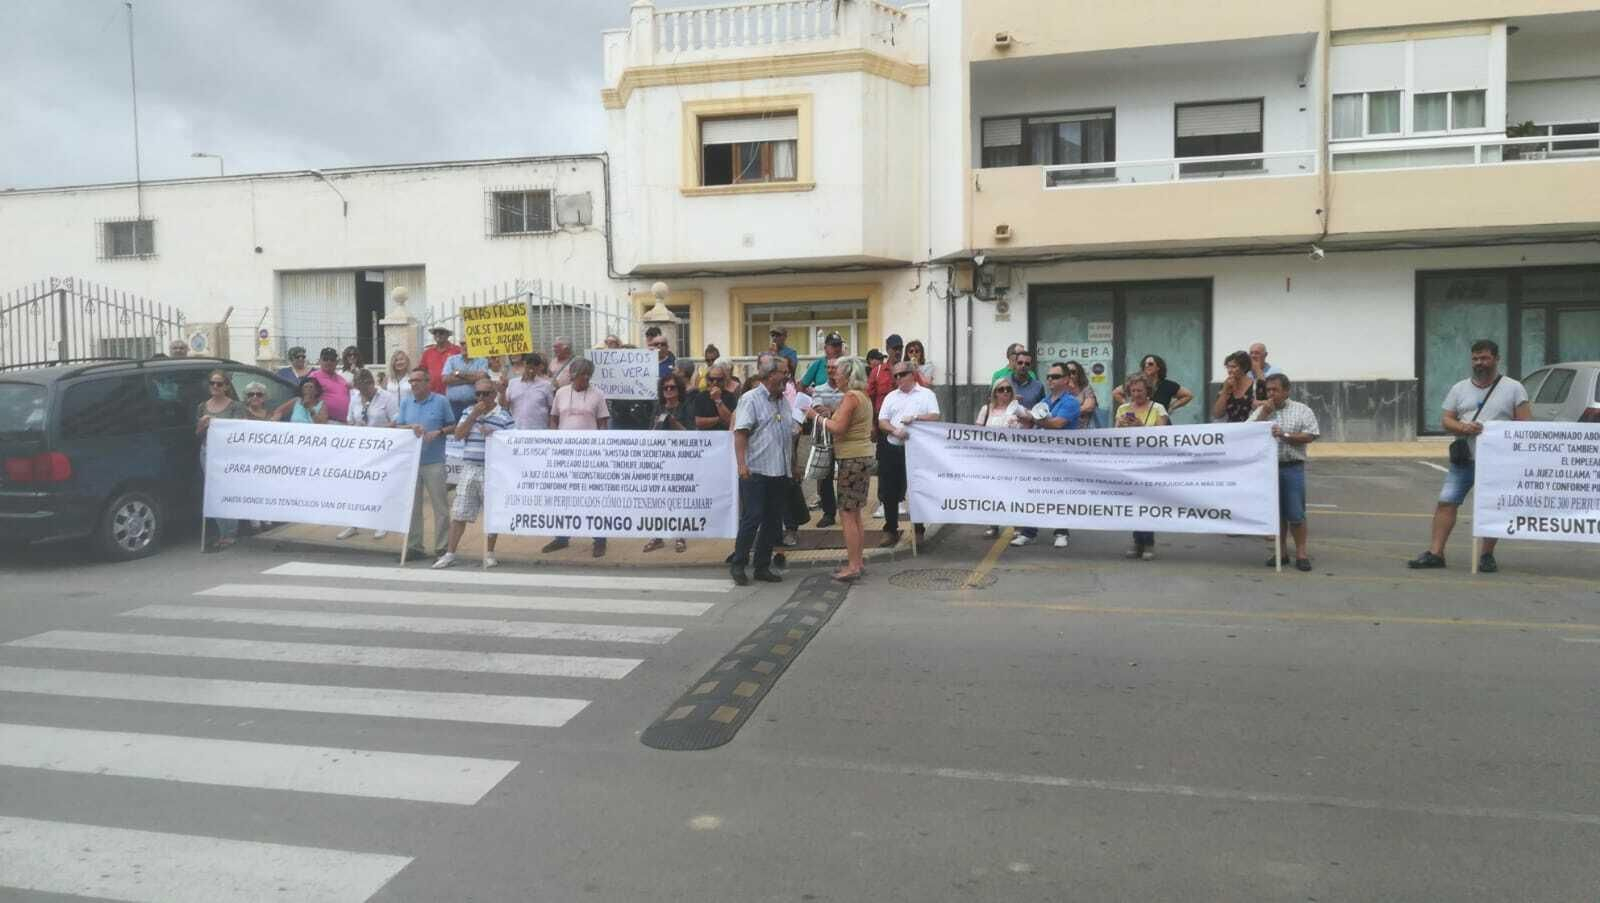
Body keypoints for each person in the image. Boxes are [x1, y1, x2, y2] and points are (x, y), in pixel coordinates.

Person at [1407, 339, 1532, 574]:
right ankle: (1436, 553)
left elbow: (1525, 424)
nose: (1479, 363)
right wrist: (1463, 428)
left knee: (1492, 506)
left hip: (1498, 460)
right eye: (1475, 358)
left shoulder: (1514, 388)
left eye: (1484, 358)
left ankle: (1486, 555)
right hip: (1464, 459)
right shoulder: (1459, 388)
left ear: (1496, 359)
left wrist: (1498, 434)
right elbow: (1446, 420)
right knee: (1446, 502)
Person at [433, 379, 515, 570]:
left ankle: (489, 553)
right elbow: (459, 434)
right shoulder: (468, 412)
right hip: (470, 468)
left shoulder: (504, 416)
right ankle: (450, 553)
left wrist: (495, 435)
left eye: (485, 394)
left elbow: (512, 443)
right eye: (477, 394)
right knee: (459, 513)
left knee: (491, 514)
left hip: (492, 470)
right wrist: (474, 415)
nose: (481, 398)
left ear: (494, 394)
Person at [730, 359, 795, 586]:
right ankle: (738, 564)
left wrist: (792, 465)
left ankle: (761, 566)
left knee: (772, 521)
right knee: (752, 517)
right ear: (769, 375)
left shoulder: (782, 400)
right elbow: (740, 433)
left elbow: (789, 432)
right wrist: (741, 464)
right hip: (755, 469)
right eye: (782, 373)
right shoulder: (750, 399)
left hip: (779, 470)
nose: (787, 377)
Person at [1249, 373, 1321, 572]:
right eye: (1268, 390)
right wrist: (1264, 414)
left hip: (1292, 467)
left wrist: (1285, 435)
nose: (1271, 394)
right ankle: (1281, 553)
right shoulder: (1264, 410)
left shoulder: (1301, 410)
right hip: (1269, 469)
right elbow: (1247, 433)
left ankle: (1301, 553)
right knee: (1276, 514)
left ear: (1286, 391)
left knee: (1296, 513)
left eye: (1275, 390)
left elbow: (1311, 435)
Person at [1011, 361, 1084, 549]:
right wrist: (1022, 416)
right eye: (1049, 376)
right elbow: (1035, 422)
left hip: (1063, 457)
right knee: (1033, 492)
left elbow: (1057, 424)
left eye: (1056, 376)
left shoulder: (1071, 402)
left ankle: (1061, 532)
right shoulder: (1044, 401)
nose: (1051, 379)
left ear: (1067, 380)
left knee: (1060, 494)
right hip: (1040, 456)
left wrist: (1032, 417)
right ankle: (1028, 532)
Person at [546, 358, 610, 558]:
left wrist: (600, 451)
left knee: (593, 498)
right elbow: (554, 419)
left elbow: (603, 424)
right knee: (563, 497)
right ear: (572, 375)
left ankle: (600, 540)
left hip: (590, 456)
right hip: (565, 455)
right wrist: (554, 443)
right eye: (581, 374)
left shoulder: (598, 395)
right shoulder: (561, 393)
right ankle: (562, 537)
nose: (585, 378)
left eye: (588, 374)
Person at [874, 359, 941, 547]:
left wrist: (916, 418)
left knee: (917, 490)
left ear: (912, 374)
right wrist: (895, 430)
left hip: (917, 450)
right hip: (893, 447)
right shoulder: (891, 397)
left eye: (902, 374)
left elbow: (935, 416)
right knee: (889, 492)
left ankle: (919, 529)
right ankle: (890, 530)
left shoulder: (926, 394)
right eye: (895, 375)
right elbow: (882, 421)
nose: (898, 378)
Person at [818, 357, 874, 582]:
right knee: (856, 513)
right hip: (862, 456)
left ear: (849, 375)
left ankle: (852, 566)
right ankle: (857, 561)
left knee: (847, 515)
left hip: (851, 459)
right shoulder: (862, 397)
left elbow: (838, 428)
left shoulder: (851, 397)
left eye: (839, 372)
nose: (834, 375)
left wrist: (817, 418)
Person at [396, 368, 454, 562]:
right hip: (412, 463)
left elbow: (453, 425)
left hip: (434, 461)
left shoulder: (441, 401)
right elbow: (398, 426)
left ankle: (442, 546)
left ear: (427, 382)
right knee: (413, 507)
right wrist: (410, 427)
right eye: (411, 381)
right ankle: (414, 546)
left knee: (440, 507)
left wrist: (438, 432)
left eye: (417, 381)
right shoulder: (406, 402)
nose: (413, 384)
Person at [335, 368, 400, 542]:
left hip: (382, 449)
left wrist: (374, 432)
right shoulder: (355, 398)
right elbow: (350, 420)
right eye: (359, 389)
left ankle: (381, 522)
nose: (362, 392)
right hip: (360, 450)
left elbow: (396, 421)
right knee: (356, 486)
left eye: (365, 388)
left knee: (379, 486)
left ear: (371, 383)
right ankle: (354, 523)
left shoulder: (387, 398)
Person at [1115, 373, 1171, 560]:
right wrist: (1121, 427)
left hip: (1151, 463)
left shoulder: (1158, 408)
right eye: (1133, 390)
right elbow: (1113, 436)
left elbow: (1163, 435)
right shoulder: (1123, 408)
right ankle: (1136, 540)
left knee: (1148, 503)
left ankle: (1148, 542)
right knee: (1133, 502)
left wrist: (1141, 427)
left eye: (1140, 390)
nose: (1136, 394)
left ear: (1148, 390)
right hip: (1129, 462)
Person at [644, 374, 694, 555]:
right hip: (660, 459)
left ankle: (680, 536)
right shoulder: (658, 407)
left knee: (678, 499)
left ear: (679, 390)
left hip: (680, 458)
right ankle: (657, 536)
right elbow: (650, 431)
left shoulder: (686, 407)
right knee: (659, 499)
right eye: (665, 388)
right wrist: (657, 425)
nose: (669, 391)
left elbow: (691, 433)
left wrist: (674, 423)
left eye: (672, 387)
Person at [196, 370, 244, 550]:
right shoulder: (202, 406)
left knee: (228, 490)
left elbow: (239, 430)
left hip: (227, 454)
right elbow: (198, 433)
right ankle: (221, 531)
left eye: (219, 384)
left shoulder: (235, 406)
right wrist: (202, 424)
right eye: (212, 383)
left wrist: (215, 421)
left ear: (226, 386)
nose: (215, 387)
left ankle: (230, 532)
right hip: (208, 451)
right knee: (213, 491)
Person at [976, 377, 1028, 539]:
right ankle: (993, 525)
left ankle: (1018, 525)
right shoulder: (986, 409)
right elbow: (977, 432)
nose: (1005, 392)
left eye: (1008, 389)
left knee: (1014, 493)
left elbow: (1029, 429)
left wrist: (1019, 424)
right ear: (995, 393)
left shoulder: (1018, 409)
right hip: (991, 459)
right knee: (993, 492)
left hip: (1013, 459)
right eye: (1001, 389)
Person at [1113, 354, 1193, 414]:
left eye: (1150, 364)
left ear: (1158, 367)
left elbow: (1188, 395)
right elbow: (1116, 393)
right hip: (1139, 421)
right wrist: (1128, 405)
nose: (1147, 366)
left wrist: (1171, 407)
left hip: (1161, 423)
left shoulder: (1167, 385)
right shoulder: (1136, 383)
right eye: (1145, 364)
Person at [503, 352, 554, 430]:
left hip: (539, 430)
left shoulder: (546, 385)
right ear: (524, 364)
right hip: (516, 429)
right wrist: (501, 392)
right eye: (529, 367)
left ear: (540, 367)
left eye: (534, 368)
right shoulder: (512, 383)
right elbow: (505, 405)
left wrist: (551, 429)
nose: (531, 371)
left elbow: (551, 409)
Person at [309, 348, 352, 422]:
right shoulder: (314, 377)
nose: (329, 362)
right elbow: (307, 398)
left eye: (332, 359)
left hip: (344, 423)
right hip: (326, 422)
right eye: (325, 359)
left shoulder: (341, 379)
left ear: (336, 362)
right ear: (320, 361)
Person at [1214, 350, 1256, 423]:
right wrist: (1225, 390)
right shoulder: (1226, 384)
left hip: (1249, 428)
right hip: (1230, 429)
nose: (1229, 370)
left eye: (1233, 367)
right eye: (1228, 367)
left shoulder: (1254, 386)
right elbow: (1217, 414)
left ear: (1244, 368)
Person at [867, 334, 904, 418]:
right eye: (895, 349)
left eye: (900, 349)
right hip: (881, 420)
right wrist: (872, 423)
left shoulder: (908, 371)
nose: (898, 352)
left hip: (902, 419)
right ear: (887, 349)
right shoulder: (877, 371)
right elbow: (869, 398)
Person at [694, 364, 739, 429]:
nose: (715, 382)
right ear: (707, 380)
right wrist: (719, 419)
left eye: (719, 380)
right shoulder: (700, 397)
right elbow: (699, 422)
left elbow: (730, 421)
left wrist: (718, 400)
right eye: (712, 379)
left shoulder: (730, 397)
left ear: (724, 380)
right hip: (706, 437)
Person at [420, 327, 462, 396]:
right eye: (435, 333)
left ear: (448, 335)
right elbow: (422, 371)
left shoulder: (457, 350)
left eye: (441, 333)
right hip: (432, 394)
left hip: (453, 393)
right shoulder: (427, 352)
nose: (438, 335)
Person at [1062, 359, 1097, 429]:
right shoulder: (1060, 390)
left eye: (1073, 372)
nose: (1070, 375)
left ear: (1078, 374)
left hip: (1084, 430)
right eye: (1067, 373)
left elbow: (1089, 407)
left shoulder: (1086, 389)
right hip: (1065, 429)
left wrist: (1067, 413)